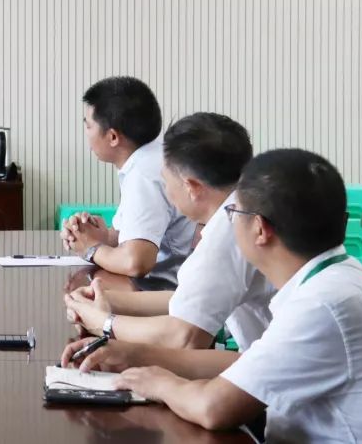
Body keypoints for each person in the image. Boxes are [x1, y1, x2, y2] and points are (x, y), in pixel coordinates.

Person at [61, 149, 362, 442]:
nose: (225, 226)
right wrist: (136, 354)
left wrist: (159, 383)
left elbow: (213, 407)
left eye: (233, 214)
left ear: (260, 229)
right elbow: (247, 364)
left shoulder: (320, 306)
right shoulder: (342, 280)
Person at [65, 113, 274, 350]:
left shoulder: (228, 234)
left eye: (166, 181)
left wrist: (103, 323)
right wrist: (109, 300)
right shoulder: (248, 205)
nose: (165, 191)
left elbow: (185, 337)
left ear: (192, 187)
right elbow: (191, 299)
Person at [61, 76, 195, 289]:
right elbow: (131, 238)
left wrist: (91, 248)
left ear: (113, 137)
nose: (86, 134)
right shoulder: (150, 158)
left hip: (168, 295)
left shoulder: (144, 173)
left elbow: (136, 262)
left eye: (88, 126)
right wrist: (95, 235)